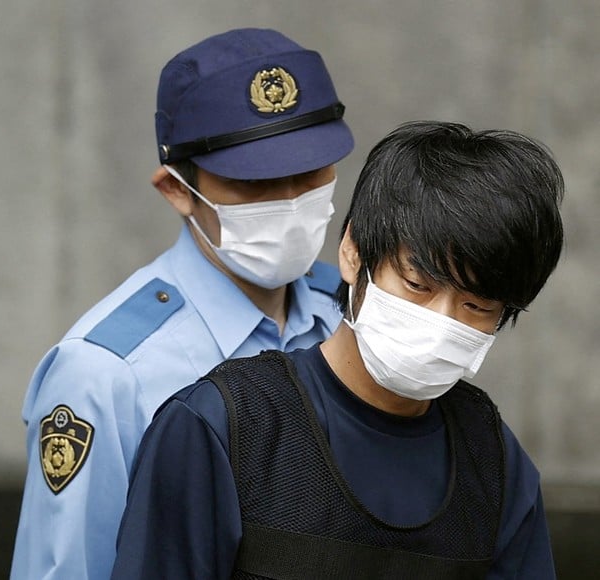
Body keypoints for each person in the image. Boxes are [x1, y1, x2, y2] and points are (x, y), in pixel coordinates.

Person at [111, 121, 565, 579]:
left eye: (475, 305)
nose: (441, 321)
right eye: (416, 285)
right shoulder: (223, 428)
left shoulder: (493, 461)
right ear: (353, 252)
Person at [10, 28, 354, 579]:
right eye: (256, 181)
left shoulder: (350, 315)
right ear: (176, 190)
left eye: (310, 171)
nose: (291, 201)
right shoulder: (105, 374)